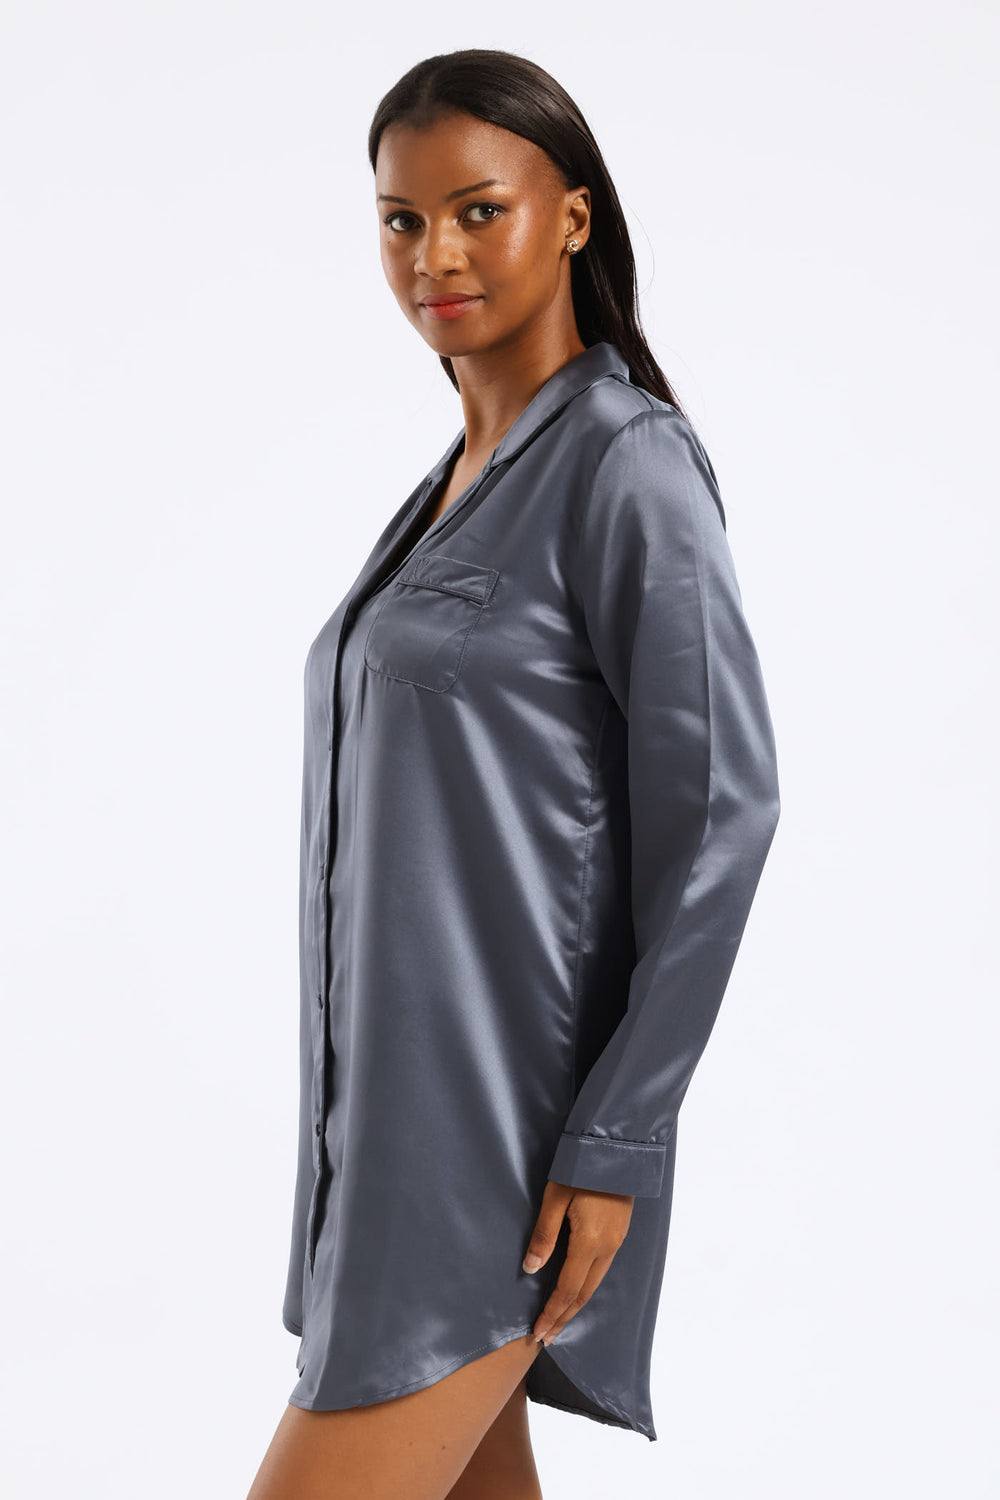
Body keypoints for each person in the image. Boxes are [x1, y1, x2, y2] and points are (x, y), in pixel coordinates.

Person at [247, 47, 781, 1500]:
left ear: (573, 218)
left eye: (479, 210)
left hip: (501, 1162)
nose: (436, 255)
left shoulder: (625, 463)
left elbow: (721, 814)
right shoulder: (452, 485)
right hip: (382, 1142)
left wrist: (618, 1137)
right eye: (402, 220)